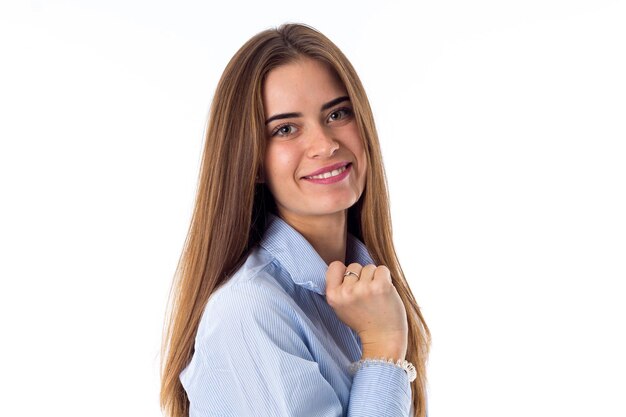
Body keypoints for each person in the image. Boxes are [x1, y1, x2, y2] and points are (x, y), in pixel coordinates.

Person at [160, 23, 430, 417]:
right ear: (250, 161)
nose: (325, 144)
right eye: (286, 128)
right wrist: (384, 347)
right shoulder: (252, 310)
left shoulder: (368, 288)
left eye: (337, 113)